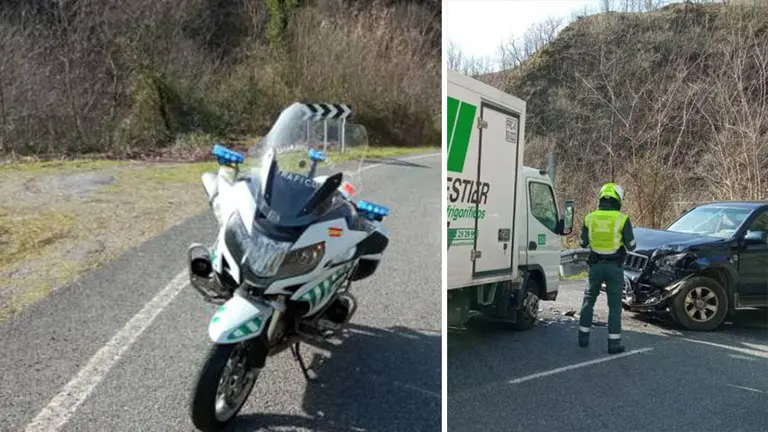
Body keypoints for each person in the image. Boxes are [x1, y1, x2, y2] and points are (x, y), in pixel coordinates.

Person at [578, 182, 636, 354]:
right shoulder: (622, 219)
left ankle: (583, 339)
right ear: (618, 199)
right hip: (614, 267)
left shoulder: (590, 218)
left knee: (588, 301)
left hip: (595, 266)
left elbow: (582, 242)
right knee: (615, 306)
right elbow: (631, 245)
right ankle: (614, 344)